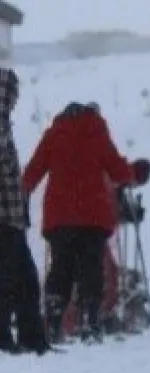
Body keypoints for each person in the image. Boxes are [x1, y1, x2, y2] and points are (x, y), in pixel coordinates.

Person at [23, 102, 150, 344]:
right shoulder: (96, 131)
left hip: (59, 217)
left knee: (61, 269)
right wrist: (134, 174)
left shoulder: (55, 133)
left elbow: (33, 172)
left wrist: (20, 191)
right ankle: (90, 322)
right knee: (91, 270)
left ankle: (52, 323)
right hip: (91, 216)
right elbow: (117, 170)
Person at [0, 68, 49, 355]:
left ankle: (27, 338)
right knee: (18, 278)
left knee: (19, 278)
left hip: (11, 216)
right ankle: (19, 338)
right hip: (5, 218)